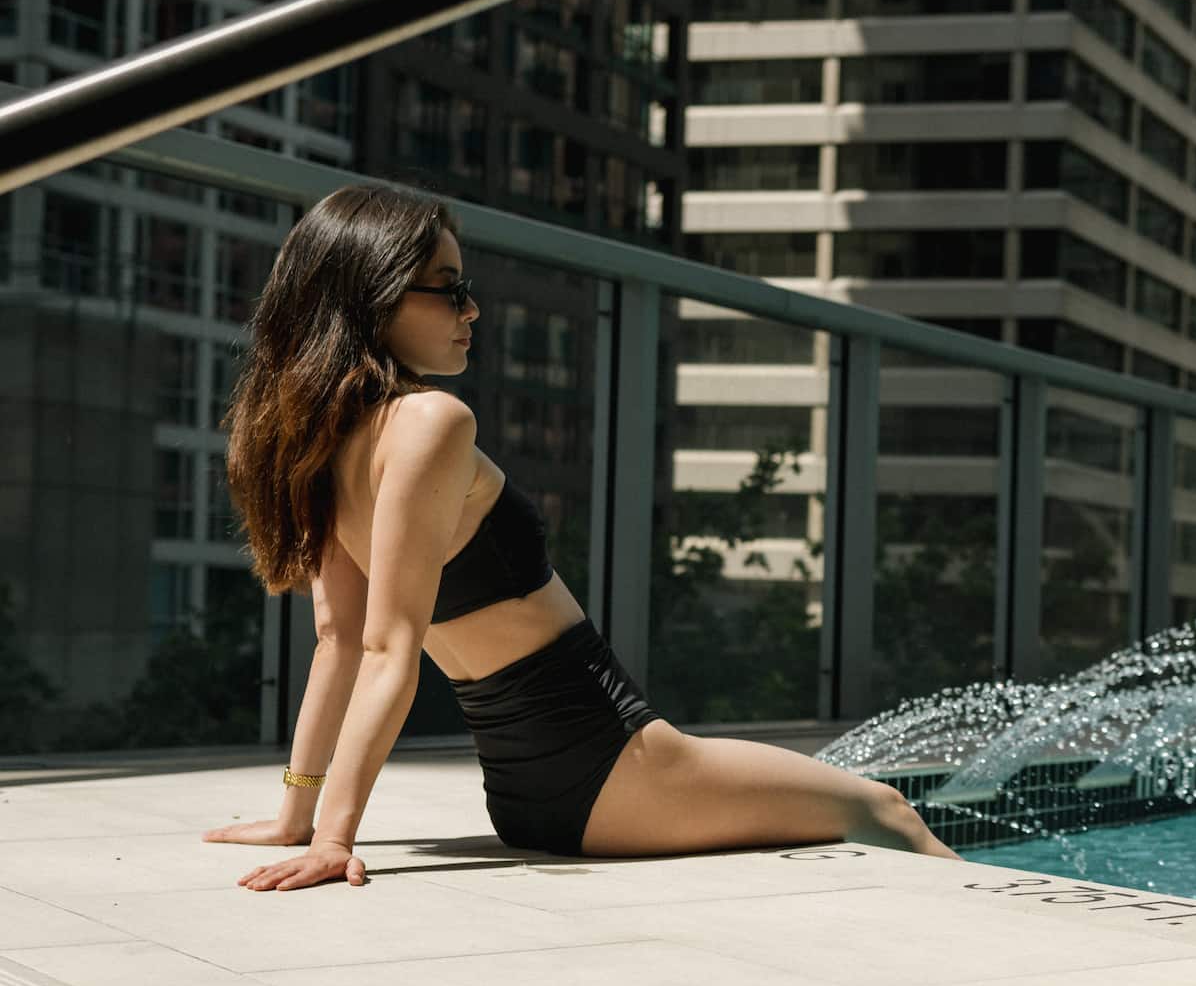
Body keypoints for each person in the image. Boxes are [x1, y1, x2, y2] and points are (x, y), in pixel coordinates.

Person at [205, 184, 959, 889]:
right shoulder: (433, 421)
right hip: (618, 765)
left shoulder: (320, 446)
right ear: (373, 295)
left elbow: (338, 642)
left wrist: (300, 817)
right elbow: (383, 648)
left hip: (526, 795)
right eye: (451, 287)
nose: (472, 310)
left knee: (863, 813)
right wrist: (333, 841)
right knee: (885, 808)